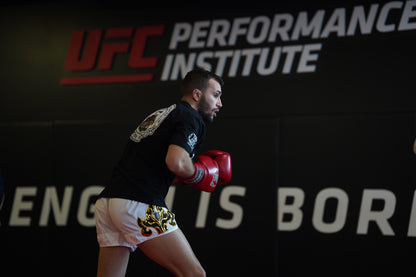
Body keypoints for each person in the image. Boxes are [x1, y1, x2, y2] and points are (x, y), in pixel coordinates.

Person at [94, 68, 232, 277]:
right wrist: (199, 175)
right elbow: (176, 162)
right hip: (139, 204)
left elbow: (159, 166)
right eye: (216, 95)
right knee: (194, 274)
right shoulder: (191, 117)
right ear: (197, 94)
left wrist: (185, 177)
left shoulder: (163, 113)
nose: (219, 103)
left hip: (109, 203)